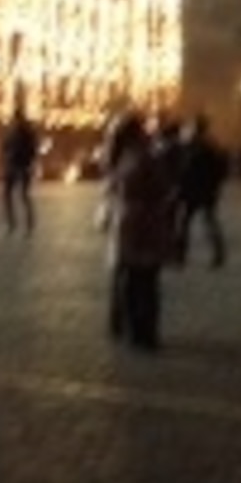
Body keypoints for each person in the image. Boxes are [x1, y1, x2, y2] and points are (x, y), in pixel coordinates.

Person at [101, 112, 176, 350]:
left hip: (125, 220)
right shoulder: (145, 156)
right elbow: (162, 187)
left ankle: (125, 325)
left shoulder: (117, 157)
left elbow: (111, 188)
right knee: (146, 280)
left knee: (129, 277)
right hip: (145, 221)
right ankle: (144, 332)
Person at [177, 116, 230, 268]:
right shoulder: (211, 146)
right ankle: (218, 253)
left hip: (194, 190)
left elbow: (186, 170)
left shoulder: (192, 145)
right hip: (206, 190)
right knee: (207, 222)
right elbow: (220, 169)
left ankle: (181, 254)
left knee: (185, 223)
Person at [0, 105, 40, 234]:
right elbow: (4, 146)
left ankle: (20, 223)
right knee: (16, 195)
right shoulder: (17, 131)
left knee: (21, 195)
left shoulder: (23, 132)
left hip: (19, 165)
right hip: (15, 165)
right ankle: (16, 223)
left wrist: (28, 162)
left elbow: (31, 149)